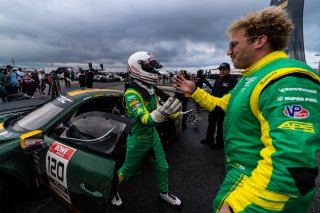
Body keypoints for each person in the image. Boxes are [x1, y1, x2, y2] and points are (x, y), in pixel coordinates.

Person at [174, 6, 320, 213]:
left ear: (259, 41)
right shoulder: (251, 78)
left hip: (256, 186)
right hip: (243, 174)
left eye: (233, 44)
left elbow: (291, 168)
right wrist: (194, 91)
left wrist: (238, 207)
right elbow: (224, 104)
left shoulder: (287, 77)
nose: (228, 51)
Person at [111, 51, 182, 207]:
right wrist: (162, 113)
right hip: (138, 138)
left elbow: (162, 103)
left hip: (152, 135)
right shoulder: (131, 94)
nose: (154, 71)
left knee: (163, 167)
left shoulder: (149, 87)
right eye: (150, 68)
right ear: (137, 68)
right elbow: (145, 119)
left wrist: (177, 111)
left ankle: (164, 193)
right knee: (127, 171)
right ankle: (112, 190)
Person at [200, 63, 237, 149]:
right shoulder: (218, 80)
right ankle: (209, 139)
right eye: (220, 70)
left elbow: (234, 96)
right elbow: (213, 93)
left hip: (223, 108)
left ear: (229, 70)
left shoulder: (233, 81)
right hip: (213, 107)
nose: (222, 71)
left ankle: (220, 143)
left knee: (220, 126)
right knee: (211, 124)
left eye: (224, 69)